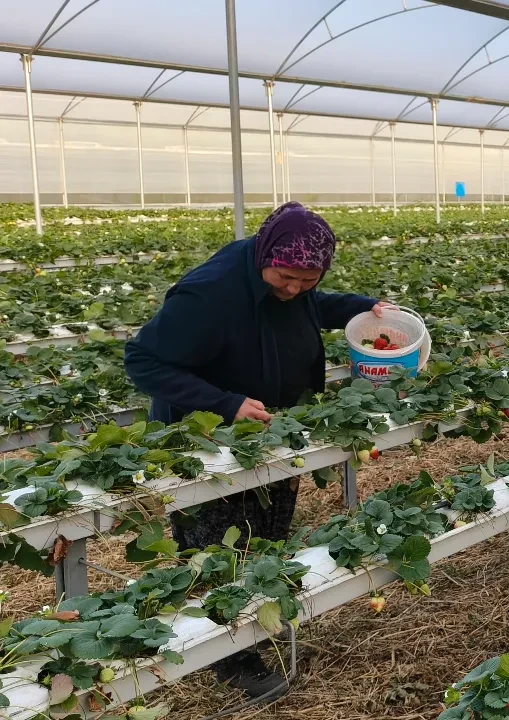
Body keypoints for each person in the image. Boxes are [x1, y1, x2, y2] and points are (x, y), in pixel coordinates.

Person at [125, 202, 389, 696]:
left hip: (270, 430)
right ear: (265, 255)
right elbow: (142, 360)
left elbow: (315, 304)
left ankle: (258, 618)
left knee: (264, 536)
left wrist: (366, 306)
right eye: (285, 277)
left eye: (306, 280)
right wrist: (223, 403)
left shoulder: (293, 284)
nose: (292, 288)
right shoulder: (208, 296)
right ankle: (231, 657)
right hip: (207, 439)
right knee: (216, 546)